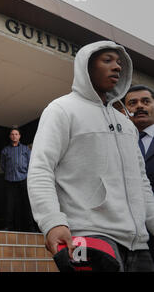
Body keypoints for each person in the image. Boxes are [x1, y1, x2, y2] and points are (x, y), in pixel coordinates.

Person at [27, 41, 154, 272]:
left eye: (119, 63)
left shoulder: (126, 124)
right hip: (89, 235)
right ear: (86, 67)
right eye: (107, 60)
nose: (116, 67)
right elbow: (40, 169)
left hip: (139, 244)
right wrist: (52, 222)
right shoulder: (61, 110)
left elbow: (142, 182)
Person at [124, 84, 154, 262]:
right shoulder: (117, 142)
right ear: (126, 110)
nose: (139, 106)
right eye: (132, 103)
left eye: (146, 101)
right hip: (126, 234)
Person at [0, 128, 35, 232]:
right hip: (10, 180)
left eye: (16, 134)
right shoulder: (5, 150)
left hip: (23, 180)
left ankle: (30, 227)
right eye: (12, 134)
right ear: (10, 136)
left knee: (26, 204)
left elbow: (30, 164)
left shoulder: (26, 149)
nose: (14, 136)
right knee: (9, 205)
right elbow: (2, 165)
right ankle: (8, 226)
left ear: (19, 136)